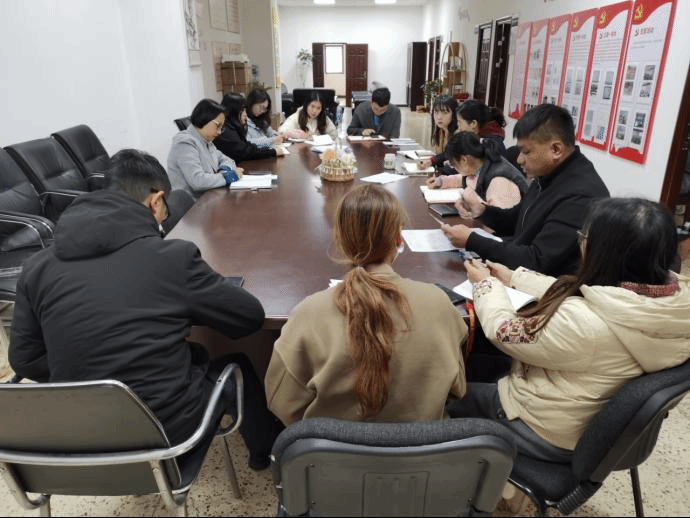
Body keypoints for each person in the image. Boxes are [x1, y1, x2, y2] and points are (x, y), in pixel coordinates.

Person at [9, 149, 281, 470]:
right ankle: (268, 456)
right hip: (168, 436)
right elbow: (249, 317)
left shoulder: (36, 268)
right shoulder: (171, 258)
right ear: (156, 201)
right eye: (165, 212)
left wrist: (91, 377)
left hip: (81, 442)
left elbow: (25, 360)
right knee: (236, 367)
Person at [448, 197, 690, 460]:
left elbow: (503, 331)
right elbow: (589, 295)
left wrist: (484, 285)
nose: (581, 243)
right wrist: (514, 278)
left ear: (603, 253)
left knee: (443, 390)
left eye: (585, 237)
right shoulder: (672, 299)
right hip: (591, 420)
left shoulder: (584, 324)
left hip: (542, 428)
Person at [264, 184, 467, 425]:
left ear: (341, 240)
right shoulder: (439, 304)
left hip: (332, 449)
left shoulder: (308, 314)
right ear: (398, 239)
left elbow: (282, 404)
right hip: (424, 447)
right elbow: (456, 389)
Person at [442, 104, 610, 276]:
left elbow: (537, 260)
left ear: (556, 150)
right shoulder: (549, 174)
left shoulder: (581, 195)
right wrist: (482, 210)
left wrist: (472, 241)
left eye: (526, 152)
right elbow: (518, 219)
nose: (519, 160)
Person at [426, 132, 528, 210]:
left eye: (453, 164)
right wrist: (441, 181)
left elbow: (501, 220)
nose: (454, 168)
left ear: (464, 160)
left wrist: (474, 205)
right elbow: (465, 179)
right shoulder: (481, 166)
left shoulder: (499, 180)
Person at [167, 98, 244, 200]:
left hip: (209, 197)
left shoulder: (207, 141)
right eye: (217, 126)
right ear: (205, 119)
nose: (219, 132)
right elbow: (197, 181)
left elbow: (228, 160)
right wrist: (228, 176)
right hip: (192, 204)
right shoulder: (185, 143)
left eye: (221, 127)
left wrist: (224, 171)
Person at [419, 99, 506, 171]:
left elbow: (466, 170)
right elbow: (451, 154)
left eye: (460, 122)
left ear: (473, 124)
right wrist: (432, 161)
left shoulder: (488, 144)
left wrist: (441, 171)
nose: (458, 126)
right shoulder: (477, 137)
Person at [214, 93, 285, 162]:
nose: (245, 114)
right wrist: (272, 152)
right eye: (242, 110)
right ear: (234, 112)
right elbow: (245, 151)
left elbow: (246, 146)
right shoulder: (226, 131)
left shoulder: (233, 126)